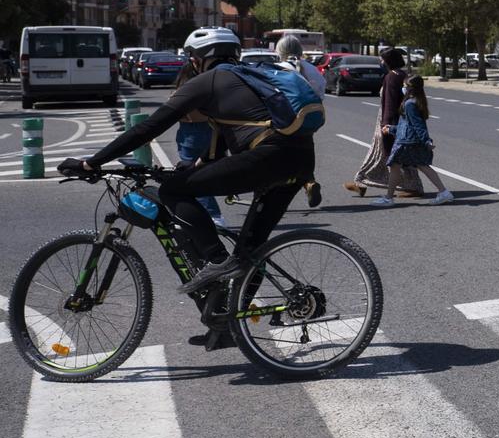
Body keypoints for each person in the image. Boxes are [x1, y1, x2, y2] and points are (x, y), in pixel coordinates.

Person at [59, 27, 316, 347]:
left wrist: (92, 162)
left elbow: (150, 127)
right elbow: (222, 145)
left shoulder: (207, 81)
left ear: (197, 60)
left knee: (173, 192)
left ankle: (215, 260)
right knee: (250, 251)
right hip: (301, 161)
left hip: (268, 158)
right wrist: (190, 167)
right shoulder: (248, 77)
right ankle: (227, 325)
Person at [345, 47, 415, 198]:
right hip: (398, 120)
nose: (381, 62)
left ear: (389, 61)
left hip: (389, 121)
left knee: (394, 155)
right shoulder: (402, 74)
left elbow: (390, 102)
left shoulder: (391, 77)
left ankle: (412, 186)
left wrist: (386, 125)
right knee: (379, 154)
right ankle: (361, 182)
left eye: (383, 59)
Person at [170, 51, 227, 233]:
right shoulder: (208, 83)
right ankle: (208, 216)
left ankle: (213, 216)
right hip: (203, 131)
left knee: (193, 176)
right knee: (198, 174)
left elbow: (186, 112)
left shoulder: (191, 88)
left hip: (193, 133)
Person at [377, 74, 452, 205]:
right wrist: (391, 129)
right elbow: (406, 124)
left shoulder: (410, 104)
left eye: (405, 86)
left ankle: (388, 198)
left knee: (396, 166)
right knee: (422, 166)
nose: (403, 88)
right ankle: (444, 192)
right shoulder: (416, 101)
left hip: (406, 142)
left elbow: (418, 125)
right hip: (409, 139)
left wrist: (426, 140)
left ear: (411, 89)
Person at [274, 35, 326, 208]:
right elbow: (320, 93)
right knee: (305, 151)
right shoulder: (311, 69)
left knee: (279, 154)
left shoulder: (277, 68)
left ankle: (276, 188)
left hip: (284, 121)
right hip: (307, 119)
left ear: (280, 51)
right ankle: (309, 182)